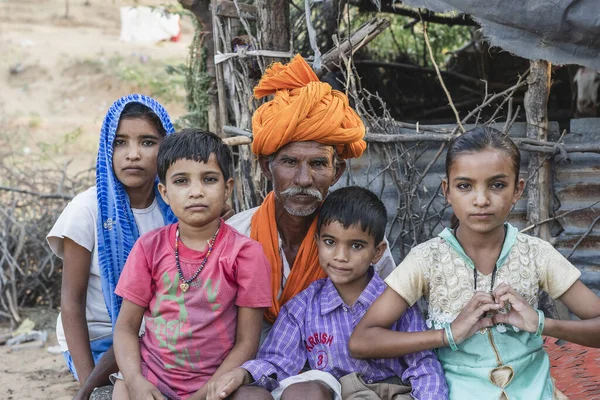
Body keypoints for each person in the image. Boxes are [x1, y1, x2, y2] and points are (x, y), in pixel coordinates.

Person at [349, 126, 600, 399]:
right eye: (465, 186)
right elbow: (363, 340)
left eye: (497, 185)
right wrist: (448, 335)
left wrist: (540, 323)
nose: (481, 200)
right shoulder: (427, 259)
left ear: (518, 190)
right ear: (447, 191)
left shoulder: (537, 254)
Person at [209, 186, 448, 400]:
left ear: (378, 252)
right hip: (336, 392)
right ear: (317, 242)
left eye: (356, 245)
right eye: (330, 242)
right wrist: (244, 373)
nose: (340, 256)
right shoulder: (302, 307)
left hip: (391, 391)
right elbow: (277, 361)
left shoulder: (396, 302)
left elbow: (423, 364)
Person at [226, 54, 396, 339]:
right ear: (267, 167)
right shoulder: (235, 238)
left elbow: (391, 317)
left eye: (318, 164)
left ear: (337, 171)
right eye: (290, 162)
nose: (304, 180)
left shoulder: (362, 243)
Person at [112, 129, 272, 400]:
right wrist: (136, 380)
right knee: (123, 391)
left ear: (227, 188)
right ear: (164, 192)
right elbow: (126, 327)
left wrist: (205, 393)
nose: (196, 192)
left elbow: (247, 342)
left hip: (214, 384)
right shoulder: (148, 248)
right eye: (181, 181)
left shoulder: (246, 253)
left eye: (209, 179)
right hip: (152, 378)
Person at [47, 94, 178, 397]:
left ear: (166, 147)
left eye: (147, 142)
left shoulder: (174, 207)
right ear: (107, 146)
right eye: (120, 142)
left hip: (163, 332)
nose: (133, 154)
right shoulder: (88, 210)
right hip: (99, 339)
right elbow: (71, 303)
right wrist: (88, 384)